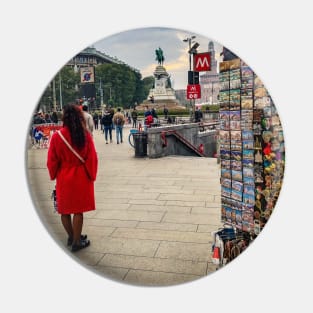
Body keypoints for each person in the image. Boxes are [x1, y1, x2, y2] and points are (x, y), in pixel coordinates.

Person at [47, 104, 98, 252]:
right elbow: (92, 158)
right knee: (78, 210)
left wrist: (53, 174)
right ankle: (77, 242)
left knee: (64, 210)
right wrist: (91, 174)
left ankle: (72, 236)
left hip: (64, 177)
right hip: (81, 176)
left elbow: (52, 160)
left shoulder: (57, 136)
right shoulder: (85, 135)